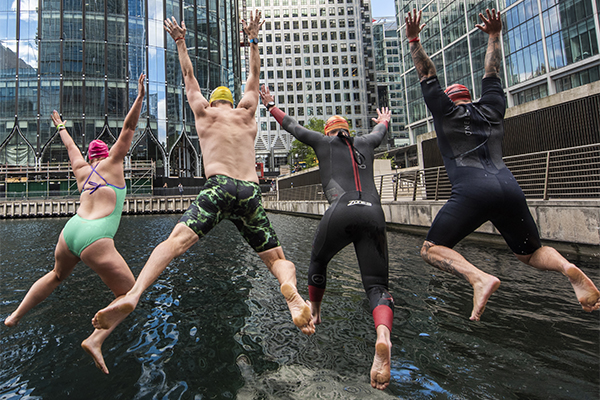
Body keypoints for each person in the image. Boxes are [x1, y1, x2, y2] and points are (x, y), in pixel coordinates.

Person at [92, 11, 314, 337]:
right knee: (278, 260)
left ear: (212, 102)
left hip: (219, 186)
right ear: (234, 101)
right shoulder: (247, 112)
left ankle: (134, 294)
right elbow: (254, 76)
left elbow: (188, 75)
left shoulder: (204, 113)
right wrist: (252, 40)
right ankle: (290, 292)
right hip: (250, 191)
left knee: (174, 242)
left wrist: (180, 42)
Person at [405, 8, 600, 321]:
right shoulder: (492, 108)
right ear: (470, 98)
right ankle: (567, 267)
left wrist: (414, 39)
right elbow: (492, 72)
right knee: (529, 253)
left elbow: (427, 73)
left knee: (431, 248)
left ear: (448, 100)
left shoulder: (446, 113)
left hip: (471, 190)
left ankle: (479, 278)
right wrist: (494, 35)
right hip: (509, 187)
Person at [4, 74, 147, 374]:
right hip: (97, 237)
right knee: (130, 293)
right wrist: (140, 97)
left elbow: (69, 145)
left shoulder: (82, 171)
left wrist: (61, 127)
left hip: (71, 231)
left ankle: (15, 316)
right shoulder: (115, 163)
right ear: (105, 154)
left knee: (56, 276)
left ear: (90, 156)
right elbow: (129, 127)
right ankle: (96, 340)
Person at [260, 85, 394, 390]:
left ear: (330, 131)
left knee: (319, 260)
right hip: (373, 212)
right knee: (377, 286)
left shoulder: (323, 141)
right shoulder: (367, 143)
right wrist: (384, 120)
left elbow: (292, 127)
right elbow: (380, 131)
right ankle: (383, 335)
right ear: (347, 130)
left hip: (342, 209)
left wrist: (270, 105)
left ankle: (316, 312)